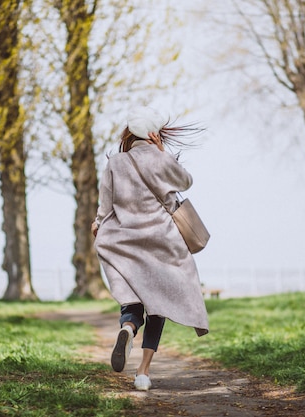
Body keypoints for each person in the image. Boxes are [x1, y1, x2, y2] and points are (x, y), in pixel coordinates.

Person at [91, 106, 209, 391]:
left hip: (124, 239)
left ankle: (128, 328)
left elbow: (105, 204)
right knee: (159, 305)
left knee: (132, 300)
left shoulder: (116, 163)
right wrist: (163, 155)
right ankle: (143, 372)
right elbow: (186, 182)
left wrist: (97, 223)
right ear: (156, 134)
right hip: (162, 241)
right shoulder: (160, 159)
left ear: (130, 133)